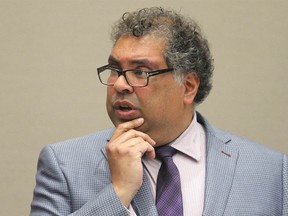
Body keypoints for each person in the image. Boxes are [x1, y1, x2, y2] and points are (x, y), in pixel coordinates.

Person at [30, 7, 288, 216]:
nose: (119, 84)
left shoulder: (271, 171)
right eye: (115, 69)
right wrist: (118, 193)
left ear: (188, 86)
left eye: (140, 72)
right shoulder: (64, 164)